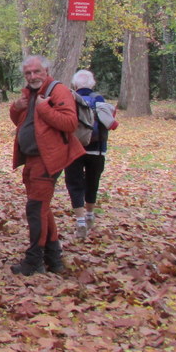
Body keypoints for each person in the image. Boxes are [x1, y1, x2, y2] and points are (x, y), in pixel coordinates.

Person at [8, 55, 86, 276]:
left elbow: (70, 123)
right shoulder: (29, 93)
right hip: (31, 158)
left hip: (48, 158)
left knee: (35, 209)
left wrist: (44, 109)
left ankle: (34, 261)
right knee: (42, 208)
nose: (32, 76)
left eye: (36, 72)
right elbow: (24, 122)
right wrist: (16, 108)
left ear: (46, 71)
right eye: (28, 73)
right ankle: (54, 257)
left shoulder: (57, 91)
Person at [65, 69, 119, 238]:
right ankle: (89, 214)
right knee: (92, 182)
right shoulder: (99, 99)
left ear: (75, 84)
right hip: (97, 149)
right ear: (92, 84)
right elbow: (111, 123)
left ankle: (80, 220)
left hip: (74, 148)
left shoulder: (70, 99)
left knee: (74, 183)